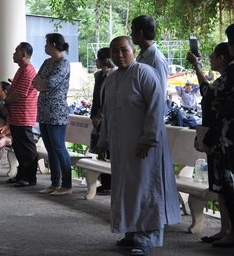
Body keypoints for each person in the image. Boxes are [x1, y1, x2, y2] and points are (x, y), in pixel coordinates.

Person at [99, 36, 180, 256]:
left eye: (123, 50)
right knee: (127, 190)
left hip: (143, 146)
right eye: (114, 51)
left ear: (133, 51)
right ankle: (132, 233)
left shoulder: (145, 73)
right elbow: (108, 113)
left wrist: (147, 139)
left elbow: (156, 109)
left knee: (146, 190)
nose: (119, 55)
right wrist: (104, 141)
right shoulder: (112, 78)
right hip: (121, 148)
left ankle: (146, 239)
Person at [187, 42, 233, 245]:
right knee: (221, 186)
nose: (210, 58)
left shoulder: (229, 76)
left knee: (227, 184)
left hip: (225, 138)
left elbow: (207, 91)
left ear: (222, 57)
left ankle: (229, 232)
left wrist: (196, 66)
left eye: (213, 55)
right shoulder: (226, 77)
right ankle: (225, 229)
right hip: (218, 137)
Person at [32, 33, 72, 196]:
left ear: (53, 44)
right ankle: (55, 183)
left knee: (59, 147)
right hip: (43, 110)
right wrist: (42, 84)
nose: (44, 46)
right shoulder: (46, 62)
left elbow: (50, 82)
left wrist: (43, 84)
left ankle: (67, 185)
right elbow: (35, 82)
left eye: (46, 43)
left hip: (56, 111)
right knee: (50, 147)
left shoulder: (64, 63)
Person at [0, 42, 39, 187]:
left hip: (24, 115)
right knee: (19, 148)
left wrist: (5, 101)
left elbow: (19, 94)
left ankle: (30, 177)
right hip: (16, 116)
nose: (13, 54)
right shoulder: (21, 69)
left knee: (27, 148)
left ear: (23, 54)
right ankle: (21, 175)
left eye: (16, 51)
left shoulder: (28, 71)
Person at [89, 47, 116, 193]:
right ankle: (105, 182)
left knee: (108, 151)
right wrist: (94, 115)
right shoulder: (99, 75)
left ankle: (109, 183)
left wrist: (99, 116)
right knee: (101, 149)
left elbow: (108, 99)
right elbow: (96, 98)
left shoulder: (113, 75)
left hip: (107, 119)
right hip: (98, 119)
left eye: (98, 58)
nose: (96, 61)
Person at [130, 15, 168, 91]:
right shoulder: (142, 54)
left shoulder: (156, 60)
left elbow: (160, 92)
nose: (131, 34)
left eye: (132, 30)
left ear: (140, 33)